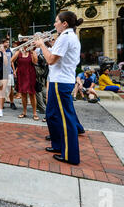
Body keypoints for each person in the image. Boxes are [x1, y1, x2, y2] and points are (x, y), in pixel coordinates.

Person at [34, 11, 83, 165]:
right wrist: (48, 44)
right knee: (52, 114)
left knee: (65, 119)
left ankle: (70, 155)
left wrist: (41, 45)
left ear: (64, 23)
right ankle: (57, 145)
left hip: (60, 82)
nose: (54, 24)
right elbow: (56, 53)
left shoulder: (66, 37)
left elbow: (50, 60)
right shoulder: (67, 37)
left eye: (56, 21)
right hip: (59, 80)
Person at [11, 40, 39, 120]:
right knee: (23, 94)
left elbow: (35, 62)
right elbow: (11, 61)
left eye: (27, 44)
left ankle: (34, 113)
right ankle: (24, 112)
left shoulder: (32, 52)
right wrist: (14, 70)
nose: (25, 45)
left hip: (30, 75)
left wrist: (32, 52)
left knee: (32, 94)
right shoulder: (19, 52)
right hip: (21, 75)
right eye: (24, 44)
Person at [2, 38, 17, 110]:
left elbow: (11, 62)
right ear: (3, 43)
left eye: (8, 42)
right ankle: (1, 102)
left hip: (9, 72)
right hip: (2, 71)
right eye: (6, 42)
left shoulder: (9, 51)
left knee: (11, 88)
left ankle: (12, 102)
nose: (8, 43)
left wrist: (14, 70)